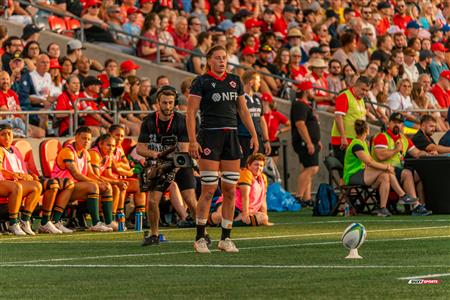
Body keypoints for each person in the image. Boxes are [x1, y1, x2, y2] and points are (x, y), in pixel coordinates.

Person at [187, 45, 258, 253]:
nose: (221, 61)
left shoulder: (234, 80)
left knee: (229, 189)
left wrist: (254, 134)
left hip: (232, 136)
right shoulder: (201, 82)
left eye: (224, 58)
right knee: (208, 189)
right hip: (210, 136)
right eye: (217, 58)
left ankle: (225, 238)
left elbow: (243, 110)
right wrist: (192, 140)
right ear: (209, 61)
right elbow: (190, 112)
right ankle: (200, 237)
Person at [137, 86, 198, 246]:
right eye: (164, 103)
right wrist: (155, 156)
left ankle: (202, 232)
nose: (168, 106)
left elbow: (184, 151)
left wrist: (170, 169)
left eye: (171, 103)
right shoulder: (148, 121)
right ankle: (154, 234)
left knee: (190, 200)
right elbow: (140, 148)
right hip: (158, 163)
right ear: (157, 103)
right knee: (152, 201)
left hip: (180, 162)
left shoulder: (181, 121)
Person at [343, 120, 417, 217]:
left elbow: (370, 161)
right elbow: (369, 162)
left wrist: (386, 168)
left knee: (385, 176)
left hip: (362, 174)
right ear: (367, 130)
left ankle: (382, 208)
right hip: (353, 175)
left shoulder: (363, 143)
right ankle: (402, 195)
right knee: (386, 170)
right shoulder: (356, 145)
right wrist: (386, 166)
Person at [51, 126, 114, 232]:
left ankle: (109, 222)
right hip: (61, 186)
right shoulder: (68, 151)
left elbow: (90, 173)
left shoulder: (85, 153)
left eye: (89, 139)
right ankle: (96, 223)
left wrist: (102, 182)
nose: (86, 141)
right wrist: (96, 182)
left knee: (107, 187)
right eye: (83, 138)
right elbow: (76, 174)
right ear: (76, 137)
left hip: (74, 186)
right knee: (93, 186)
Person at [371, 113, 433, 216]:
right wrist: (396, 150)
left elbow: (417, 153)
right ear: (388, 123)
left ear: (402, 125)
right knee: (407, 173)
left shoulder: (404, 139)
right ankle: (415, 206)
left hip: (396, 171)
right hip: (382, 170)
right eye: (394, 122)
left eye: (400, 123)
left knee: (419, 175)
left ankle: (422, 205)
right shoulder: (381, 137)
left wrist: (428, 154)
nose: (397, 125)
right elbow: (380, 156)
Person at [210, 153, 272, 227]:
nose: (259, 167)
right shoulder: (246, 173)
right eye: (256, 164)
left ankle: (231, 223)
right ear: (249, 165)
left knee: (263, 218)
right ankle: (204, 220)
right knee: (220, 217)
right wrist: (245, 215)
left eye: (261, 165)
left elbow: (263, 200)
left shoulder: (263, 178)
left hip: (246, 209)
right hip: (230, 203)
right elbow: (244, 196)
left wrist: (265, 219)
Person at [108, 124, 146, 229]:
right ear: (109, 134)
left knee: (140, 185)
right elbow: (114, 167)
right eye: (117, 135)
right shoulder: (106, 145)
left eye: (121, 136)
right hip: (107, 179)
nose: (119, 138)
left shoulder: (119, 148)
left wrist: (121, 167)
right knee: (121, 186)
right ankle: (117, 219)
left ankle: (140, 218)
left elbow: (127, 168)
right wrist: (122, 167)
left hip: (118, 178)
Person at [291, 81, 321, 207]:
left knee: (307, 168)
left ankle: (306, 197)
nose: (313, 92)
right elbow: (300, 124)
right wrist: (309, 142)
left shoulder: (305, 105)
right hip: (304, 142)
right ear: (306, 91)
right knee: (312, 168)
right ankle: (298, 197)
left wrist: (316, 140)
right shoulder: (299, 105)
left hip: (311, 142)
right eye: (311, 90)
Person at [331, 76, 371, 165]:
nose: (365, 93)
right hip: (344, 141)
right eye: (363, 89)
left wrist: (364, 138)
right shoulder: (344, 96)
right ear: (355, 86)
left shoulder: (361, 100)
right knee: (345, 172)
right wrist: (343, 137)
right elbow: (338, 117)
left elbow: (362, 119)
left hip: (356, 141)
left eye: (367, 90)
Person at [239, 70, 271, 167]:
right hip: (243, 138)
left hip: (258, 138)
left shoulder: (258, 99)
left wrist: (266, 140)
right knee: (244, 168)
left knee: (259, 167)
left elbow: (262, 120)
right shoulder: (240, 98)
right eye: (258, 81)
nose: (260, 84)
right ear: (251, 82)